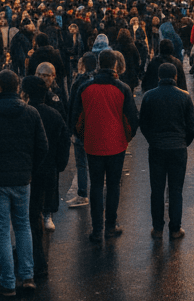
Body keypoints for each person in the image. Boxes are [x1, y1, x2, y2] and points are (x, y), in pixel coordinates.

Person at [0, 69, 48, 297]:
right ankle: (27, 275)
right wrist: (30, 168)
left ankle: (7, 282)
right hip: (22, 179)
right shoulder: (31, 113)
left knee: (1, 231)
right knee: (23, 226)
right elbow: (42, 146)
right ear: (18, 88)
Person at [72, 48, 139, 242]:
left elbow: (76, 118)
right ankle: (110, 225)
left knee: (96, 186)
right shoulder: (122, 88)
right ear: (115, 65)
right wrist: (126, 137)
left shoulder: (85, 87)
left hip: (93, 144)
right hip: (116, 144)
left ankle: (96, 228)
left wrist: (84, 136)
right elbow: (132, 119)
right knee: (113, 185)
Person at [138, 61, 194, 240]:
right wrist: (183, 142)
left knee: (156, 189)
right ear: (176, 77)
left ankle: (157, 228)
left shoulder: (149, 96)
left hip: (157, 148)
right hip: (178, 148)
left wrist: (152, 139)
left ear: (158, 76)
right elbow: (192, 126)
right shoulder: (184, 97)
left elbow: (144, 123)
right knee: (175, 190)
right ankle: (175, 228)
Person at [21, 75, 70, 280]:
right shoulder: (54, 114)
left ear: (25, 93)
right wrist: (59, 165)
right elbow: (63, 141)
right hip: (48, 170)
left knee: (28, 216)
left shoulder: (23, 114)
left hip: (25, 172)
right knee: (38, 212)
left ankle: (33, 260)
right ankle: (36, 257)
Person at [66, 52, 96, 209]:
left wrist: (71, 128)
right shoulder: (96, 82)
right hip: (94, 128)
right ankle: (93, 193)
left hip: (80, 129)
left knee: (81, 163)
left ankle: (83, 194)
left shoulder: (79, 82)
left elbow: (73, 106)